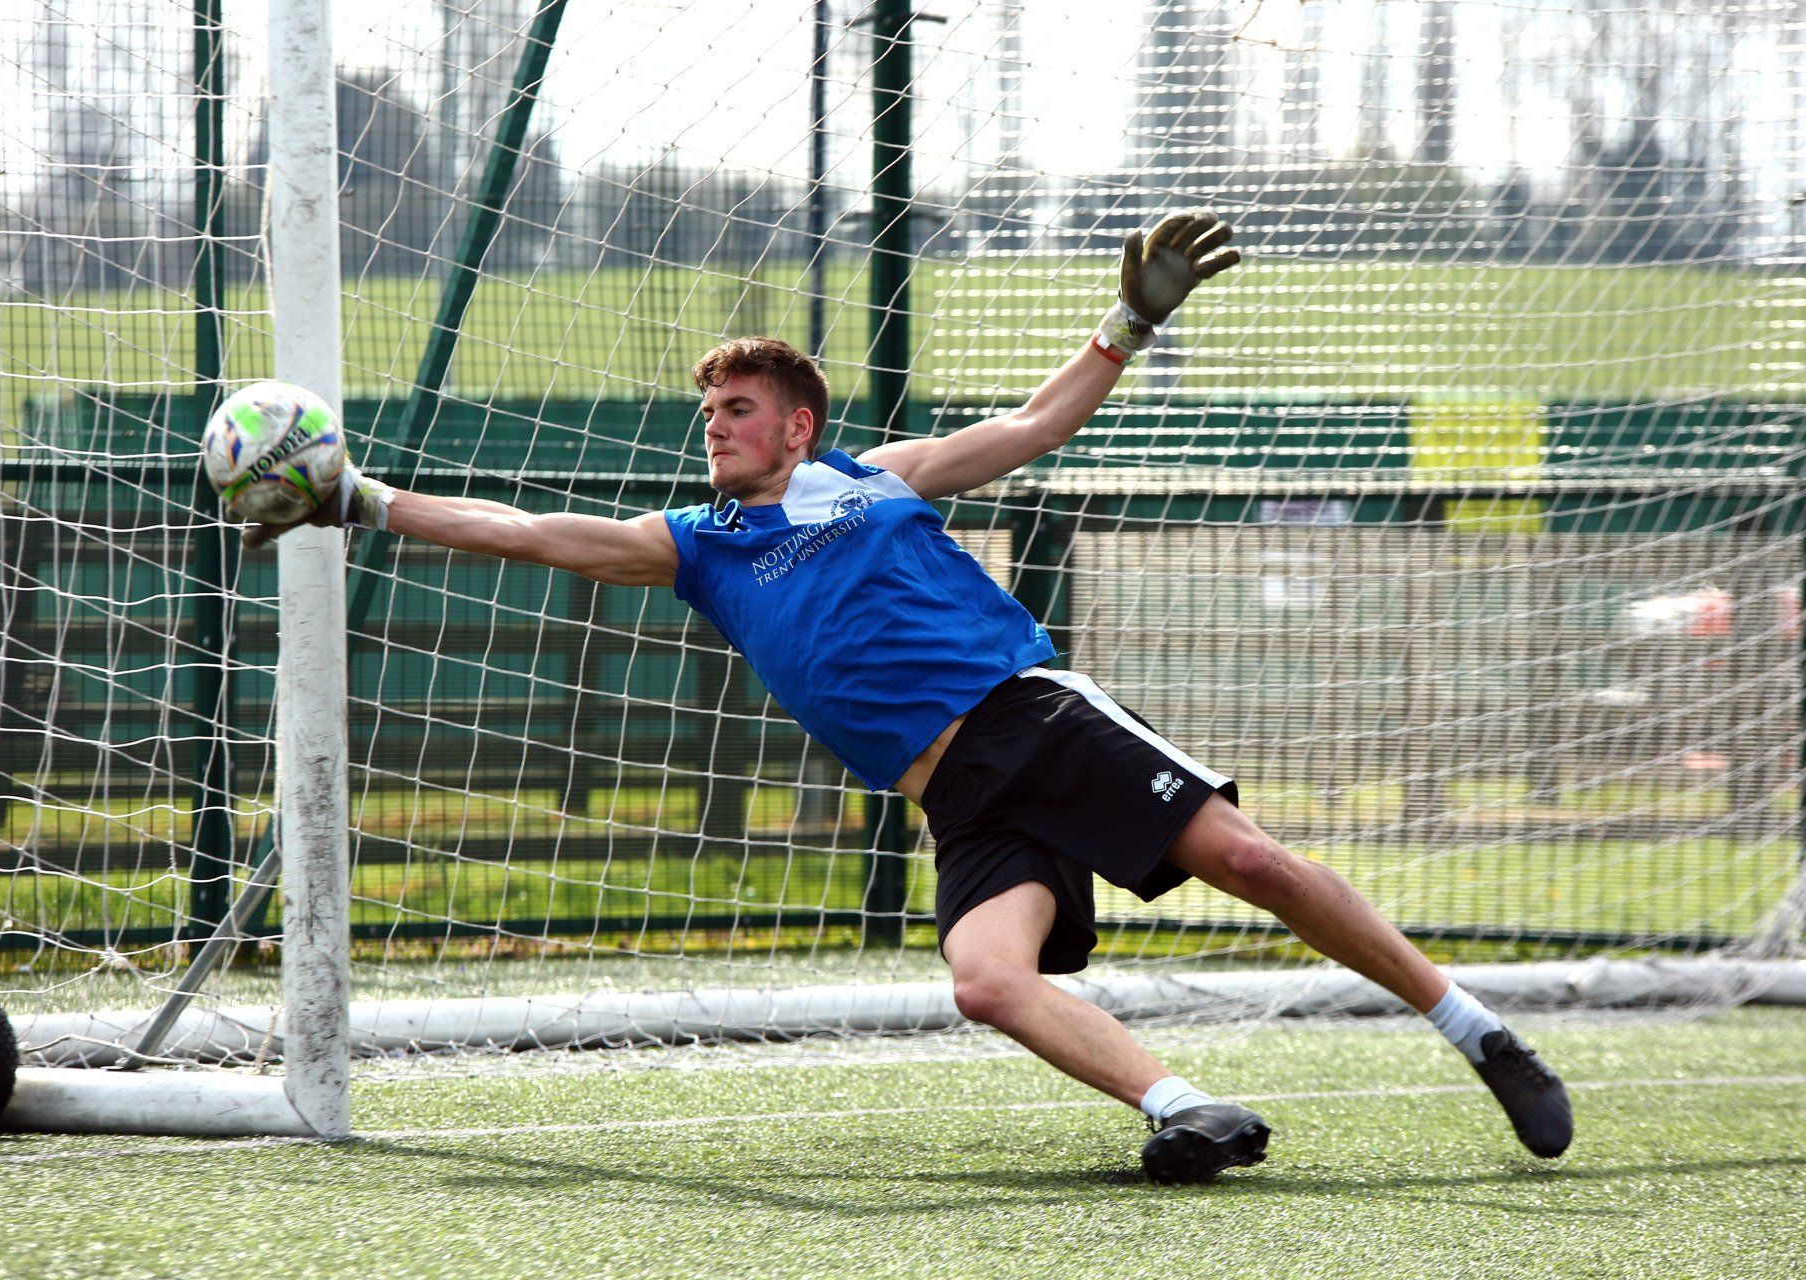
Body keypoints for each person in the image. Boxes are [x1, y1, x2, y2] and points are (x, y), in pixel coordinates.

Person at [242, 211, 1572, 1184]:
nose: (717, 424)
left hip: (1032, 718)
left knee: (1249, 857)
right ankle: (1184, 1109)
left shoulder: (880, 478)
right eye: (710, 409)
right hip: (955, 796)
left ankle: (1479, 1028)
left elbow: (1039, 425)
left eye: (741, 406)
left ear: (800, 426)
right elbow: (531, 531)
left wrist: (1131, 320)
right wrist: (361, 501)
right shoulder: (698, 542)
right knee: (984, 983)